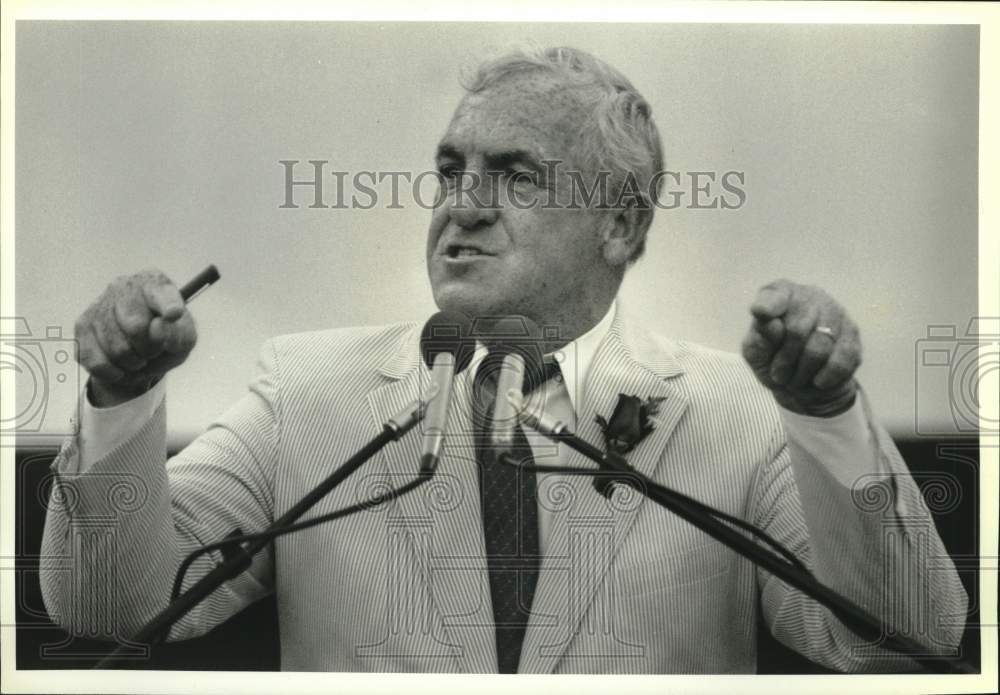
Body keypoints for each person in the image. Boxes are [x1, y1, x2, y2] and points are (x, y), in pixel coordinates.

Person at [41, 46, 967, 674]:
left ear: (621, 223)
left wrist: (827, 417)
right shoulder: (304, 394)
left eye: (517, 176)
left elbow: (907, 637)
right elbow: (107, 603)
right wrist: (122, 396)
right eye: (451, 170)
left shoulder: (736, 410)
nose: (464, 205)